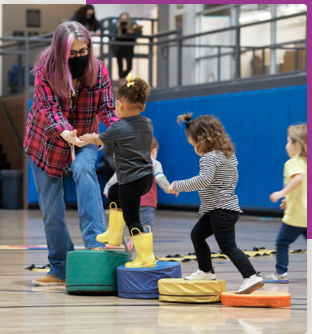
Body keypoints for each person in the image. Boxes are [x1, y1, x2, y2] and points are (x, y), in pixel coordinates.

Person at [23, 21, 118, 286]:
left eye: (83, 51)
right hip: (47, 140)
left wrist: (121, 130)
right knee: (52, 211)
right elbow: (48, 109)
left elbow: (108, 109)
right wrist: (65, 132)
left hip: (85, 135)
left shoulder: (98, 72)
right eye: (72, 54)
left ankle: (96, 243)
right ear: (60, 52)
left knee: (84, 169)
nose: (79, 58)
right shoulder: (45, 71)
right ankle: (60, 268)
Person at [168, 114, 265, 294]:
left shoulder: (209, 158)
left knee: (227, 246)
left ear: (202, 140)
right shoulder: (227, 156)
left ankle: (251, 276)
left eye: (193, 144)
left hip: (221, 210)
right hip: (219, 209)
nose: (194, 148)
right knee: (197, 235)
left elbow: (203, 181)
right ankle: (206, 271)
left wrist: (178, 186)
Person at [80, 74, 157, 268]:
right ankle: (114, 234)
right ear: (143, 106)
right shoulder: (148, 123)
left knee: (133, 221)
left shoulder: (118, 128)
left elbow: (99, 139)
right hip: (146, 178)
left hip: (130, 181)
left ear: (119, 105)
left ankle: (145, 257)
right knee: (114, 193)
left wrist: (87, 137)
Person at [265, 124, 307, 284]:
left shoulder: (293, 162)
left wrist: (281, 193)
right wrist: (288, 200)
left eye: (288, 141)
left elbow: (299, 179)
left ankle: (281, 273)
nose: (286, 145)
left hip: (297, 215)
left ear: (296, 145)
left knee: (282, 243)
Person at [104, 136, 173, 232]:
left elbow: (117, 176)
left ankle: (131, 241)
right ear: (154, 151)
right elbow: (160, 178)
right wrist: (168, 188)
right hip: (148, 203)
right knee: (146, 227)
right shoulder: (154, 163)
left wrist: (107, 188)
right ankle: (144, 246)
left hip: (130, 201)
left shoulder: (130, 162)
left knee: (133, 224)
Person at [111, 13, 142, 84]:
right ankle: (121, 79)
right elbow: (112, 35)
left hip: (129, 48)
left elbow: (140, 33)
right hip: (119, 48)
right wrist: (117, 27)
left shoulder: (133, 25)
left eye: (125, 19)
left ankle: (121, 77)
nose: (124, 21)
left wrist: (132, 32)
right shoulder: (117, 25)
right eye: (122, 19)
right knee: (120, 65)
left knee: (129, 66)